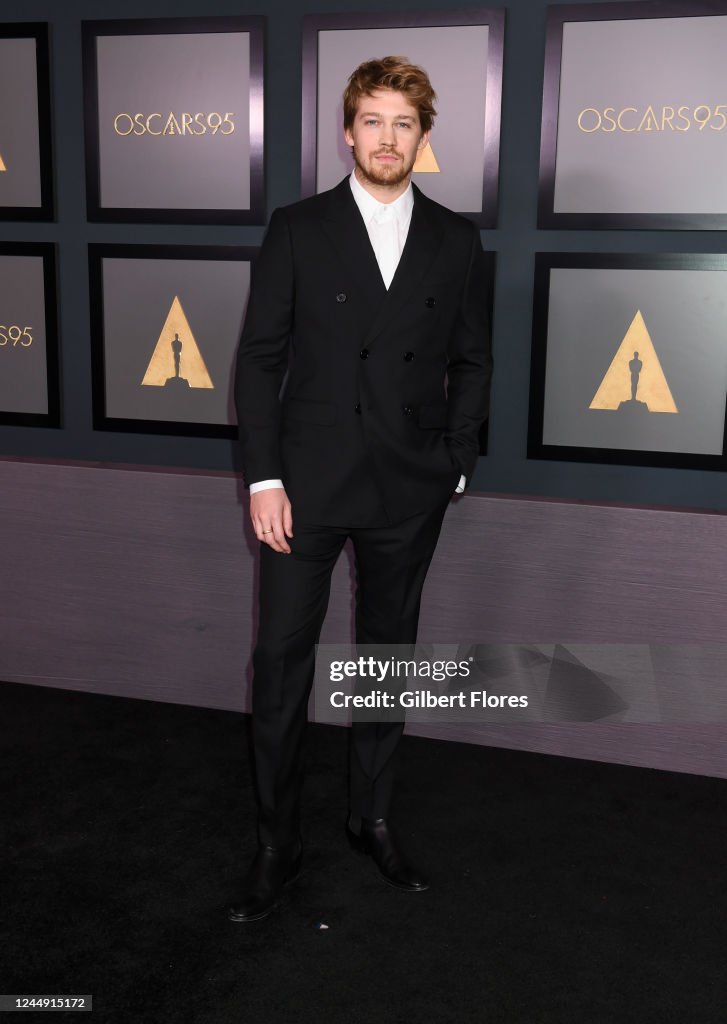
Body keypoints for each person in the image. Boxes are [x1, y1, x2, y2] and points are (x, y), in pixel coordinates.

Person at [229, 56, 492, 922]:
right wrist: (264, 477)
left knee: (386, 657)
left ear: (423, 136)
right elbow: (260, 359)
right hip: (304, 485)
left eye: (403, 123)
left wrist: (455, 458)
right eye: (372, 121)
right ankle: (277, 841)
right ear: (347, 132)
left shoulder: (455, 239)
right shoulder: (299, 227)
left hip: (407, 484)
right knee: (280, 661)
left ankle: (369, 816)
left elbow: (472, 358)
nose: (387, 138)